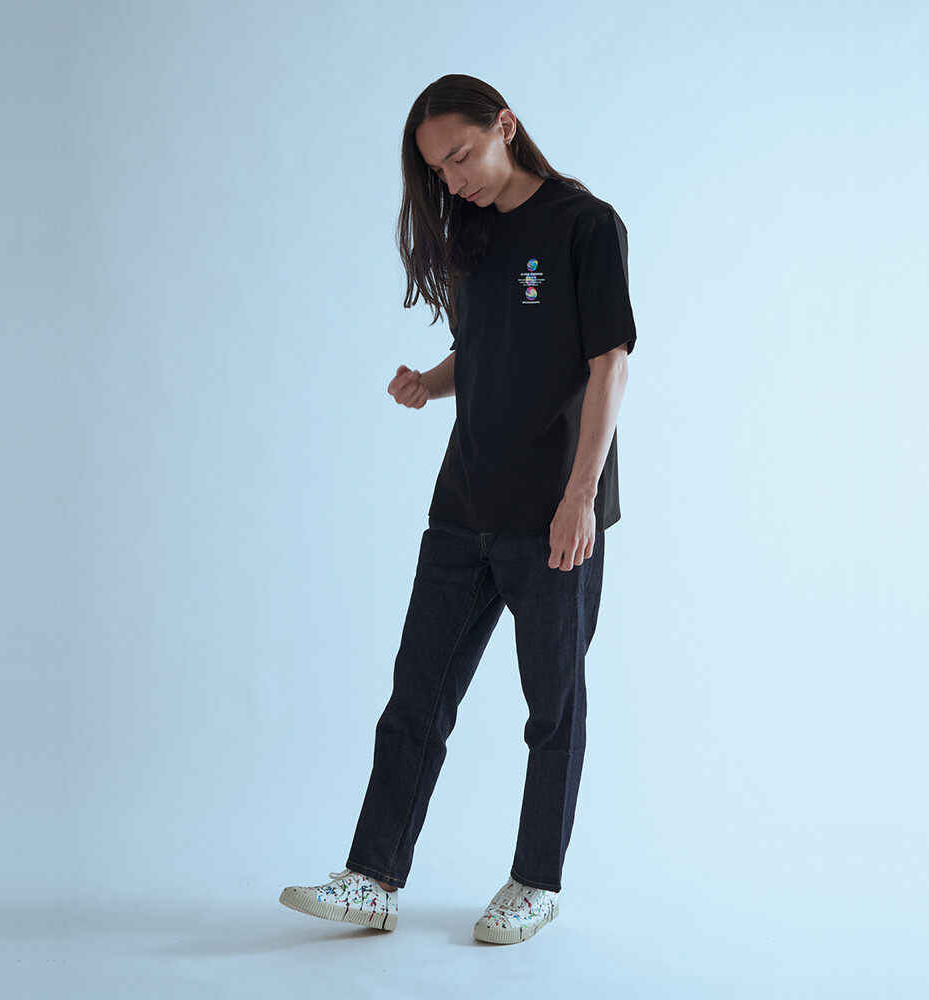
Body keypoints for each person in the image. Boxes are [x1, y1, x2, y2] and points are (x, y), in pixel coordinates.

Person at [280, 73, 636, 945]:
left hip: (552, 517)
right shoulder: (472, 232)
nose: (453, 179)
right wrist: (431, 383)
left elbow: (610, 363)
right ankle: (373, 879)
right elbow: (483, 347)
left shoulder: (586, 224)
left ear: (505, 125)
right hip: (462, 506)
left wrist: (579, 498)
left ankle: (535, 882)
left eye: (461, 156)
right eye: (437, 169)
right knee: (415, 701)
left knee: (553, 710)